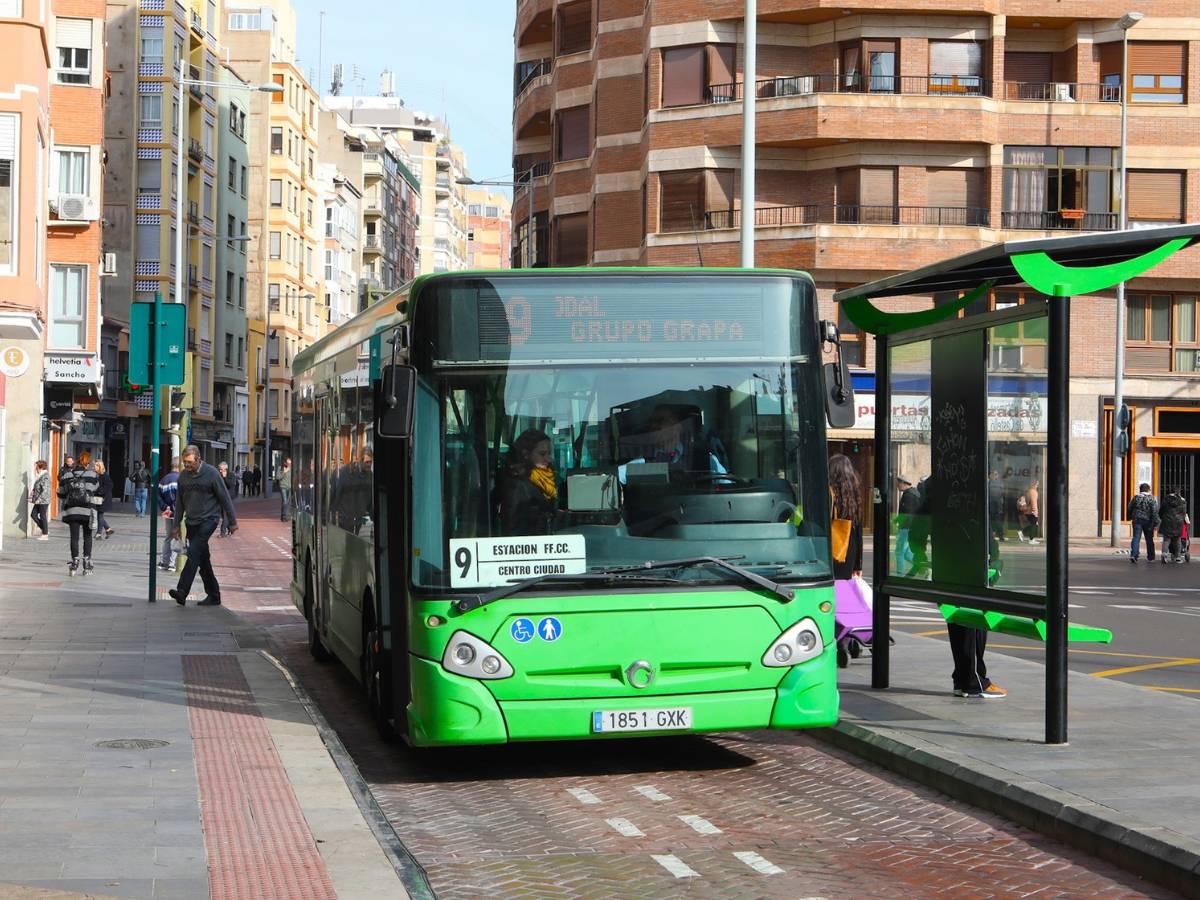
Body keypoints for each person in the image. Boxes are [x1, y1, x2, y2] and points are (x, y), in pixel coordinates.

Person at [169, 445, 237, 607]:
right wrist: (176, 525)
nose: (186, 465)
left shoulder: (212, 474)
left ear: (198, 459)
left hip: (209, 520)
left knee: (193, 553)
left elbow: (225, 498)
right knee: (202, 559)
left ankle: (182, 591)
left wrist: (232, 521)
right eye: (185, 462)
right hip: (191, 521)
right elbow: (180, 503)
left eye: (190, 462)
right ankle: (214, 595)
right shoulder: (183, 477)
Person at [499, 429, 559, 536]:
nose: (548, 459)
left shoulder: (545, 480)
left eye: (549, 454)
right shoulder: (518, 486)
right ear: (526, 454)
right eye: (542, 454)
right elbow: (512, 528)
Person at [57, 456, 100, 575]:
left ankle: (74, 562)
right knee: (87, 536)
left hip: (72, 511)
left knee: (74, 537)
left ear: (77, 462)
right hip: (88, 510)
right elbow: (97, 489)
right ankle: (87, 563)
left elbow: (60, 493)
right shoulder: (93, 475)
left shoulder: (67, 475)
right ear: (87, 463)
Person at [829, 454, 864, 582]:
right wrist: (858, 564)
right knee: (843, 586)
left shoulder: (829, 492)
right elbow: (858, 530)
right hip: (849, 549)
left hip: (832, 547)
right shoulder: (854, 494)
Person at [1127, 482, 1159, 564]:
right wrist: (1155, 522)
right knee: (1149, 539)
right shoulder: (1151, 498)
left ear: (1140, 489)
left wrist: (1129, 517)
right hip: (1148, 521)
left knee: (1136, 538)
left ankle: (1134, 555)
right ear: (1148, 489)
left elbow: (1129, 508)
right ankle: (1151, 557)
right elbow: (1154, 511)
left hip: (1137, 520)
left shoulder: (1135, 498)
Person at [159, 459, 181, 571]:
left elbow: (158, 496)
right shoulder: (181, 479)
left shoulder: (164, 479)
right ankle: (172, 563)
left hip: (167, 512)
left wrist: (164, 507)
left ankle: (164, 561)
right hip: (178, 513)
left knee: (168, 537)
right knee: (176, 537)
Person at [894, 474, 918, 572]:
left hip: (906, 528)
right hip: (911, 528)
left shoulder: (909, 495)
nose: (897, 485)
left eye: (898, 483)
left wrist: (896, 521)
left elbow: (907, 513)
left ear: (904, 483)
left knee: (899, 552)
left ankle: (900, 575)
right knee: (908, 554)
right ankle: (924, 568)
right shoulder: (914, 493)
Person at [1159, 489, 1187, 564]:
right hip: (1178, 522)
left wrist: (1163, 517)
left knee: (1166, 539)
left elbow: (1161, 511)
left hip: (1167, 521)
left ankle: (1164, 555)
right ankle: (1178, 557)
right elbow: (1184, 513)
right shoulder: (1182, 501)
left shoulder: (1166, 499)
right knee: (1177, 539)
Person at [28, 460, 51, 540]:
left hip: (43, 501)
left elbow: (45, 490)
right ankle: (45, 530)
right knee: (33, 515)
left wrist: (39, 500)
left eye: (36, 467)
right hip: (39, 500)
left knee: (42, 516)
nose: (35, 468)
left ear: (40, 467)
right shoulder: (41, 475)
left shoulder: (45, 476)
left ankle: (45, 535)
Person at [93, 460, 115, 539]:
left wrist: (100, 491)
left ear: (99, 466)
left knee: (100, 515)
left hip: (103, 499)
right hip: (99, 499)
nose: (93, 467)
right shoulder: (97, 475)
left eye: (95, 465)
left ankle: (98, 534)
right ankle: (108, 529)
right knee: (100, 515)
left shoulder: (104, 475)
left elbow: (110, 485)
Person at [1016, 480, 1041, 544]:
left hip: (1028, 511)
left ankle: (1031, 539)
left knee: (1034, 525)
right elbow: (1033, 502)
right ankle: (1024, 534)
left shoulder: (1028, 491)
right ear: (1033, 485)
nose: (1037, 486)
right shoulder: (1033, 492)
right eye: (1036, 484)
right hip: (1031, 511)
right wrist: (1035, 511)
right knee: (1034, 525)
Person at [217, 462, 238, 536]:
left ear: (225, 469)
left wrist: (225, 477)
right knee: (223, 514)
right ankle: (230, 528)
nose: (220, 471)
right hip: (222, 497)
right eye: (219, 469)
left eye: (221, 469)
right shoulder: (219, 475)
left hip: (229, 497)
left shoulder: (231, 475)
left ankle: (222, 532)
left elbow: (230, 485)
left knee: (225, 515)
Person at [278, 457, 292, 522]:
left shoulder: (291, 469)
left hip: (289, 487)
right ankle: (285, 517)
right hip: (283, 487)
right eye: (288, 463)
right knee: (285, 501)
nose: (289, 464)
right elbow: (278, 477)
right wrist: (284, 472)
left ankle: (283, 516)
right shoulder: (280, 468)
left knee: (286, 502)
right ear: (285, 463)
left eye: (290, 463)